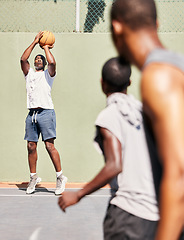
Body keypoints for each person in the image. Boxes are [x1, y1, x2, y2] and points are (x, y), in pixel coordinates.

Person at [58, 57, 159, 239]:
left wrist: (78, 195)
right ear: (129, 82)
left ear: (102, 84)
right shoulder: (143, 112)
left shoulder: (109, 116)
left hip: (127, 215)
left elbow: (114, 165)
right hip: (156, 214)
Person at [110, 0, 184, 239]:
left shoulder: (158, 76)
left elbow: (180, 175)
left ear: (117, 27)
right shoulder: (174, 68)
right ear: (157, 24)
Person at [20, 31, 67, 195]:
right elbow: (23, 59)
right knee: (31, 146)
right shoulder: (29, 74)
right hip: (31, 114)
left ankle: (60, 177)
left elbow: (53, 63)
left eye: (40, 59)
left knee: (49, 146)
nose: (37, 60)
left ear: (44, 63)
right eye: (36, 59)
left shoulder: (48, 74)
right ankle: (33, 177)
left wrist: (46, 47)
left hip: (46, 112)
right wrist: (34, 42)